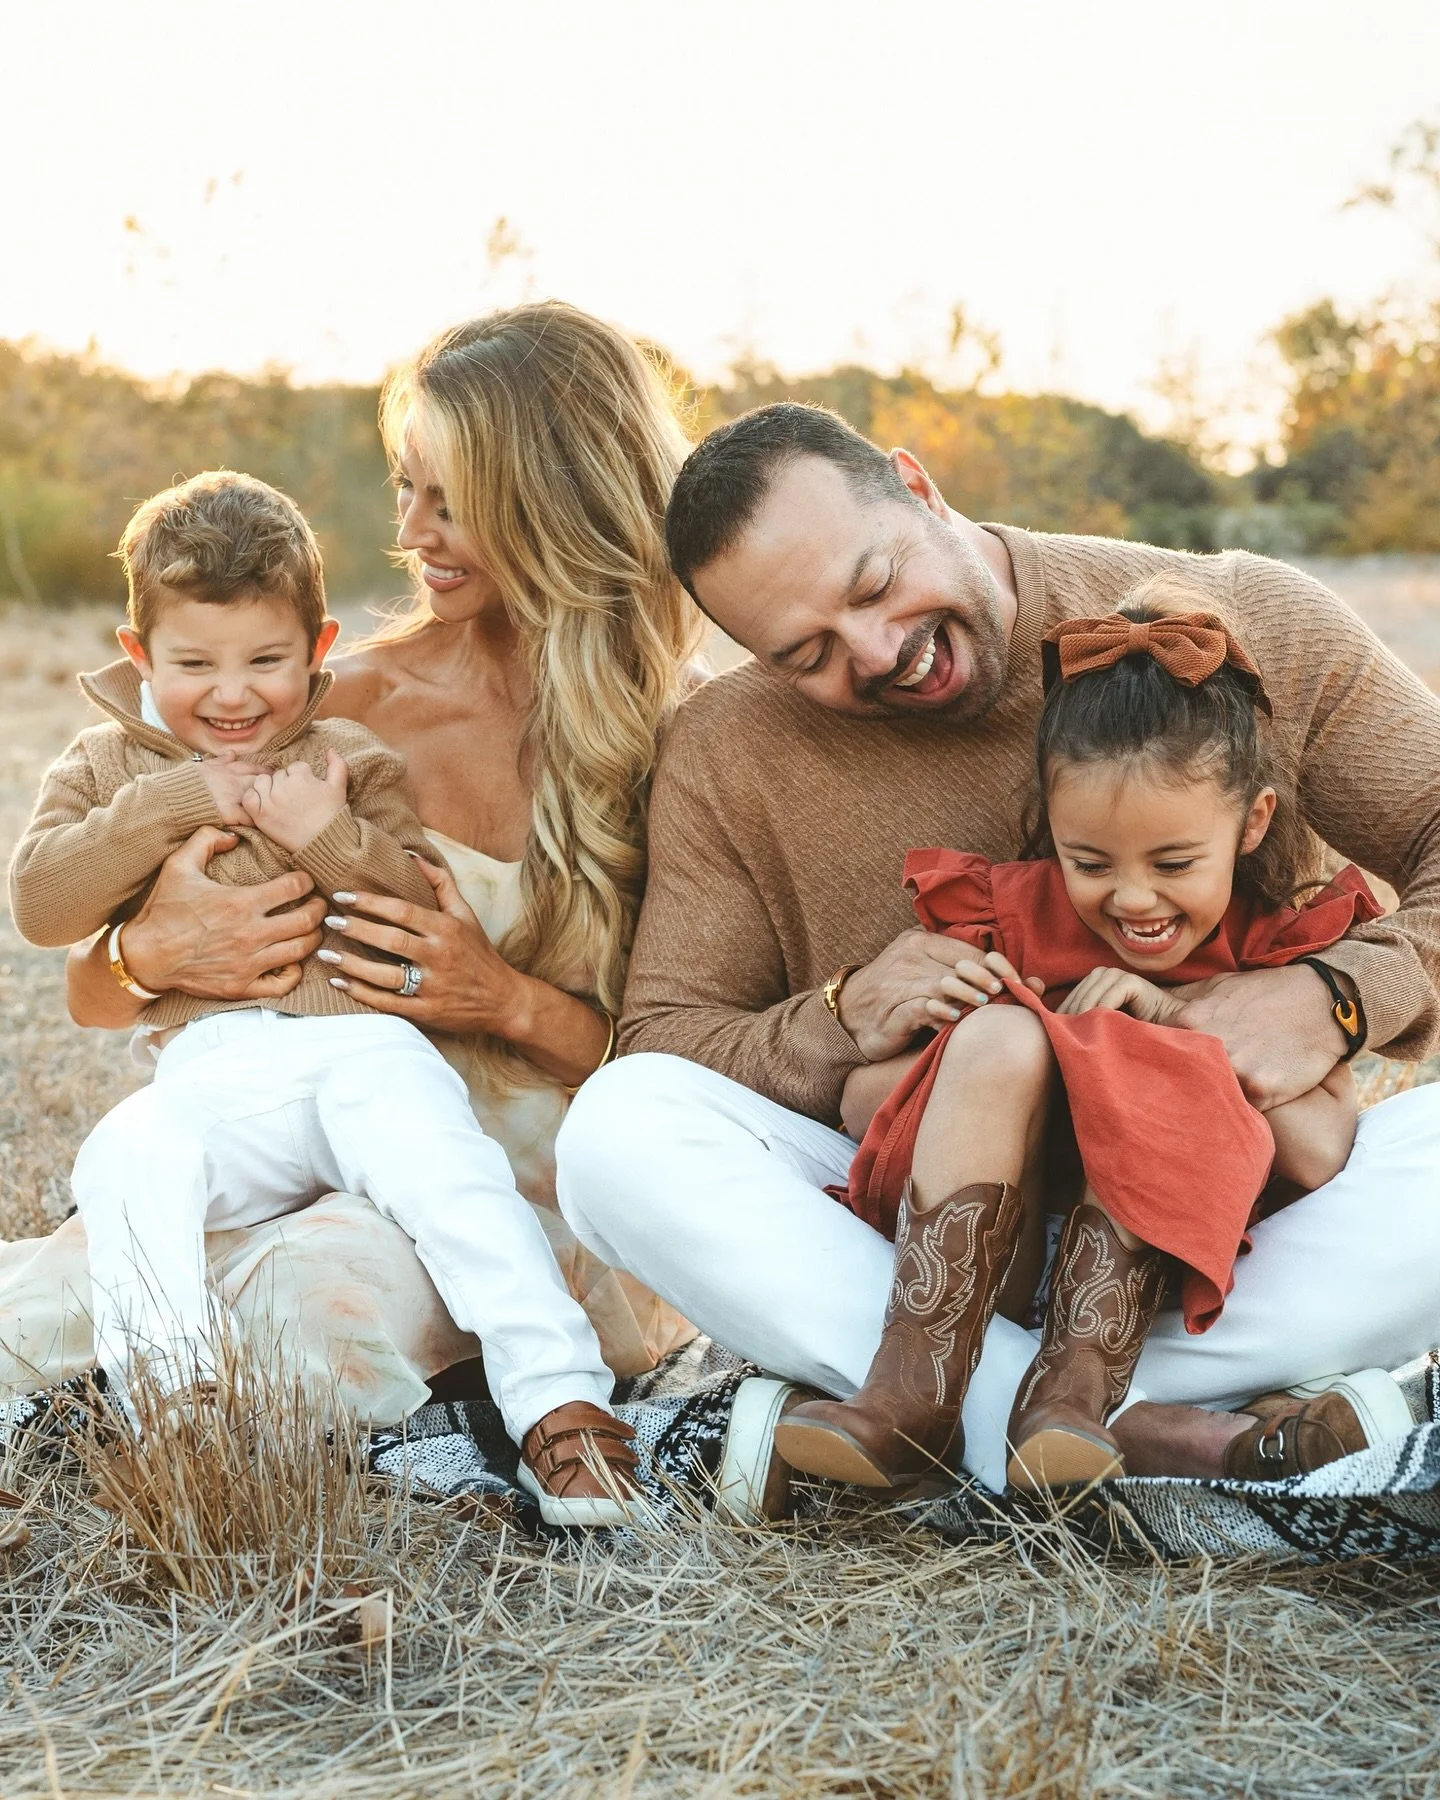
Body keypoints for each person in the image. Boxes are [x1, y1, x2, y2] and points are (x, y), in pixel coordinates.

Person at [556, 400, 1440, 1496]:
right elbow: (667, 1036)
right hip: (929, 1238)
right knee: (616, 1131)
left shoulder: (1238, 618)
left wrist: (1336, 995)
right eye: (808, 652)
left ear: (918, 487)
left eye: (875, 585)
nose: (878, 652)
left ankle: (1021, 1420)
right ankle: (1140, 1431)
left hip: (1229, 1229)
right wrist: (839, 1015)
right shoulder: (727, 750)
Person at [0, 304, 702, 1471]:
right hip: (287, 1121)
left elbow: (695, 1069)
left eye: (449, 496)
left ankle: (518, 1413)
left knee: (304, 1312)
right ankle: (176, 1410)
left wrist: (504, 1000)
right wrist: (153, 958)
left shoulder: (669, 745)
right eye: (402, 486)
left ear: (553, 498)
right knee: (42, 1307)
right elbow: (88, 985)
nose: (411, 533)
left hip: (530, 1165)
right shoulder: (330, 706)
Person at [778, 582, 1384, 1496]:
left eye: (1174, 864)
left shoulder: (1272, 955)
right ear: (1052, 828)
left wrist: (1177, 1028)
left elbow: (1322, 1148)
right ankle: (910, 1396)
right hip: (991, 1263)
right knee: (1003, 1041)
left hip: (1173, 1278)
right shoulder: (1004, 919)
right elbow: (862, 1107)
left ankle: (1071, 1401)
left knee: (1152, 1055)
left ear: (1252, 823)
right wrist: (1012, 1038)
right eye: (1090, 862)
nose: (1132, 899)